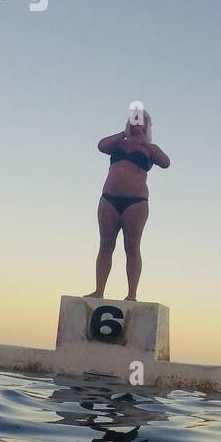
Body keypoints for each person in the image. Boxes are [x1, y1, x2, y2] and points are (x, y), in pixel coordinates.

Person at [87, 109, 170, 301]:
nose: (136, 123)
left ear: (146, 125)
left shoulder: (149, 149)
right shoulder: (118, 142)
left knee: (132, 248)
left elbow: (165, 162)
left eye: (141, 121)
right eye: (133, 119)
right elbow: (101, 145)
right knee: (105, 245)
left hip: (136, 203)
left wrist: (145, 143)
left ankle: (131, 294)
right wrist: (124, 133)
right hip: (109, 199)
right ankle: (99, 290)